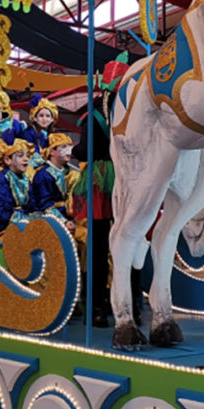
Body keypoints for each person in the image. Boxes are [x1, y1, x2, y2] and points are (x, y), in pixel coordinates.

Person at [72, 52, 130, 328]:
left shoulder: (92, 113)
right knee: (128, 240)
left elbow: (83, 150)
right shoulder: (129, 110)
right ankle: (129, 303)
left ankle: (96, 307)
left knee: (96, 245)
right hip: (124, 177)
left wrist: (74, 150)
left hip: (98, 180)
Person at [0, 132, 34, 242]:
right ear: (7, 160)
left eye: (27, 156)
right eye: (20, 156)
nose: (26, 159)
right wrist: (25, 220)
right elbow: (2, 213)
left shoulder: (25, 179)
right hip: (2, 228)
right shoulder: (1, 180)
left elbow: (32, 204)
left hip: (22, 223)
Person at [23, 95, 59, 170]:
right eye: (41, 116)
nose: (44, 119)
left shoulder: (52, 135)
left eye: (48, 116)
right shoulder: (30, 132)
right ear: (35, 118)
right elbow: (30, 150)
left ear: (52, 119)